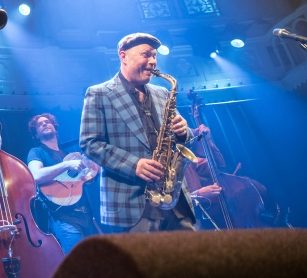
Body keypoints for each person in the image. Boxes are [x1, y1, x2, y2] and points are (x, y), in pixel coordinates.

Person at [80, 32, 195, 233]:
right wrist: (134, 165)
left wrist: (184, 132)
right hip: (132, 205)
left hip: (174, 200)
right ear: (123, 56)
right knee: (144, 264)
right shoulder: (98, 93)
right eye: (146, 55)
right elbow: (90, 143)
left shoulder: (162, 93)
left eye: (154, 56)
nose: (152, 62)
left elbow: (186, 139)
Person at [26, 113, 97, 254]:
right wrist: (66, 165)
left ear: (55, 128)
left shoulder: (68, 154)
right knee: (78, 263)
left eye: (47, 122)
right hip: (64, 217)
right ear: (36, 135)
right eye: (40, 125)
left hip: (86, 214)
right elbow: (35, 175)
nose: (45, 124)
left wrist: (94, 169)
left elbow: (86, 181)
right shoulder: (37, 152)